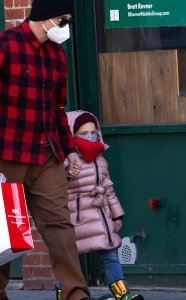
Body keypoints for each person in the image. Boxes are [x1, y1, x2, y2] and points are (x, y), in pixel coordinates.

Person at [0, 1, 96, 299]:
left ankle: (76, 293)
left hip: (46, 156)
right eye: (63, 20)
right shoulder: (1, 46)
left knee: (60, 227)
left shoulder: (57, 55)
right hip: (6, 155)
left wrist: (70, 150)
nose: (66, 27)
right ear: (46, 16)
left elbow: (57, 109)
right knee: (3, 234)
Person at [65, 111, 144, 300]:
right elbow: (56, 185)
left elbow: (108, 189)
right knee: (68, 261)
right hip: (75, 218)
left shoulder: (100, 159)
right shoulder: (66, 159)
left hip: (100, 216)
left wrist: (116, 215)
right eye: (84, 133)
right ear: (72, 135)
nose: (90, 136)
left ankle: (123, 295)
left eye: (93, 132)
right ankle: (66, 295)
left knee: (110, 256)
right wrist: (68, 173)